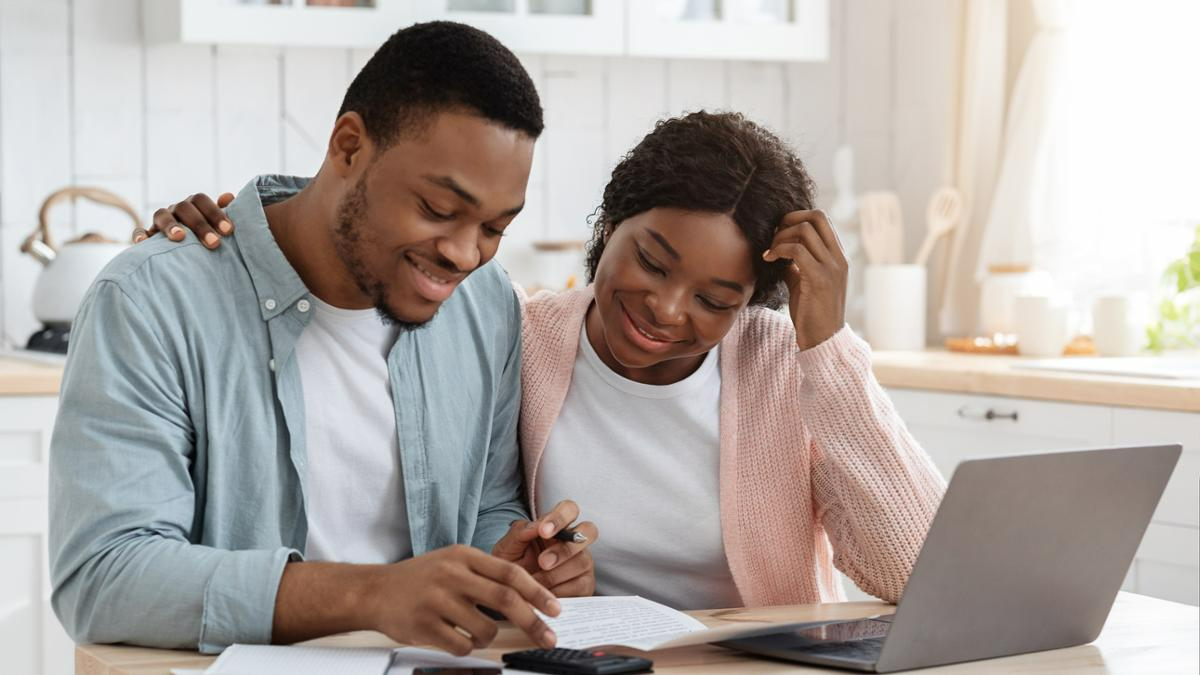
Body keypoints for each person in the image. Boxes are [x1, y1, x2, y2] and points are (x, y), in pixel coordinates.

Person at [154, 111, 945, 611]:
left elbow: (916, 572)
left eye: (716, 298)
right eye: (653, 261)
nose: (668, 311)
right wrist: (230, 240)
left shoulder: (785, 366)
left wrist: (829, 348)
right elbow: (355, 245)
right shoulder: (517, 333)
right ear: (610, 224)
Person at [48, 22, 597, 658]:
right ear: (348, 146)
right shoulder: (152, 301)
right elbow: (102, 576)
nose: (464, 254)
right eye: (439, 210)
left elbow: (487, 505)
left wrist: (515, 566)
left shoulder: (487, 304)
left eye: (495, 227)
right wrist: (371, 595)